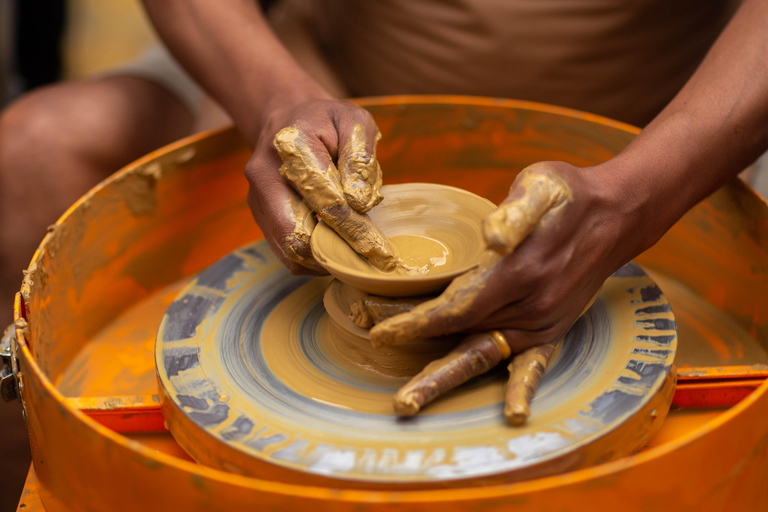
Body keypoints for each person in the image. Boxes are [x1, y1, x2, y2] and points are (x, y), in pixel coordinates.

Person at [1, 0, 767, 498]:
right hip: (319, 95)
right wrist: (274, 99)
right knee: (35, 153)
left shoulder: (646, 167)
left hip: (656, 134)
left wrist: (635, 198)